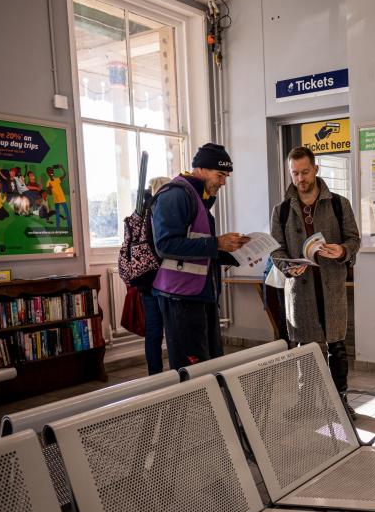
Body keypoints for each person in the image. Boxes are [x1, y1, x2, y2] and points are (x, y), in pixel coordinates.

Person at [271, 146, 360, 417]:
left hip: (330, 286)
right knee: (305, 348)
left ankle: (340, 402)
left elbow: (354, 240)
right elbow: (276, 250)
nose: (300, 179)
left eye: (305, 172)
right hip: (300, 289)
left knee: (337, 346)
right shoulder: (282, 210)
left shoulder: (338, 203)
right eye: (295, 173)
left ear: (316, 170)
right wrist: (288, 266)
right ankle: (306, 402)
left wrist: (342, 250)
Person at [152, 143, 249, 370]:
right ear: (201, 169)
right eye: (220, 175)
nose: (224, 182)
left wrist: (233, 251)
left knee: (209, 363)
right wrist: (217, 243)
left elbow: (199, 247)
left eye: (226, 176)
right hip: (180, 298)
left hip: (200, 295)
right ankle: (192, 406)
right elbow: (165, 245)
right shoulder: (175, 195)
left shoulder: (198, 197)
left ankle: (207, 405)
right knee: (191, 368)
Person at [140, 176, 171, 374]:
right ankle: (181, 372)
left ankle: (154, 374)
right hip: (166, 280)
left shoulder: (140, 214)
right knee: (174, 330)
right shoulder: (163, 212)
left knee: (153, 332)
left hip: (146, 281)